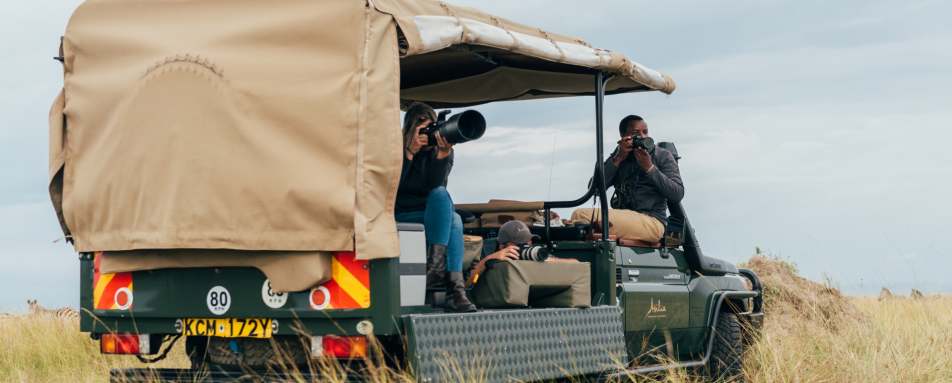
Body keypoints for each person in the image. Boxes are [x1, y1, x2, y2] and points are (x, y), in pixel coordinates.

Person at [394, 102, 476, 313]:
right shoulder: (395, 149)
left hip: (428, 215)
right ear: (410, 129)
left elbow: (436, 188)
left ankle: (438, 270)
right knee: (455, 220)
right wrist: (409, 154)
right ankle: (455, 291)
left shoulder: (440, 151)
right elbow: (392, 188)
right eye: (422, 130)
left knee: (445, 202)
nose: (428, 134)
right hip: (399, 212)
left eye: (431, 128)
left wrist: (442, 155)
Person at [576, 115, 684, 242]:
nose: (643, 137)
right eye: (636, 134)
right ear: (624, 137)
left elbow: (677, 194)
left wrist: (649, 168)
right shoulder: (620, 156)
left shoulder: (662, 156)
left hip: (652, 221)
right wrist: (617, 159)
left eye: (645, 132)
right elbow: (594, 190)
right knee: (575, 223)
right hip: (625, 218)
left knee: (580, 215)